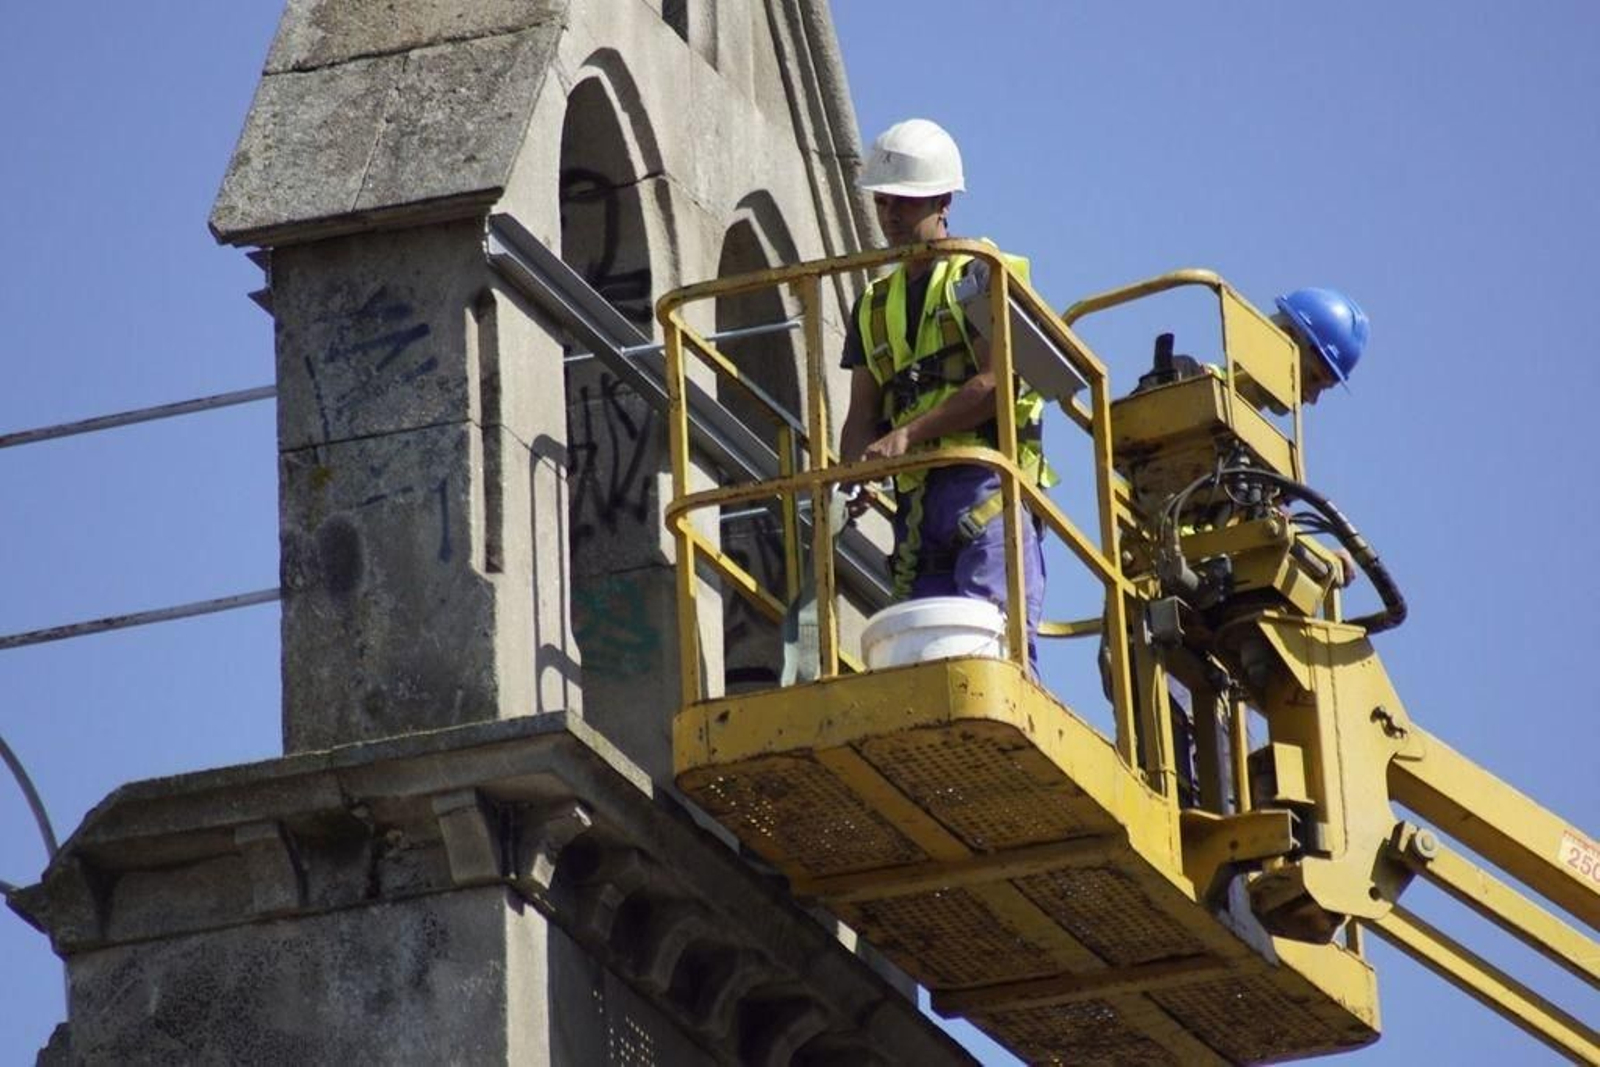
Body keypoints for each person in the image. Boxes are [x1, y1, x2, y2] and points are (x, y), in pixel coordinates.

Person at [838, 118, 1055, 670]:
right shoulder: (872, 303)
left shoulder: (980, 274)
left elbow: (996, 382)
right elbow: (861, 413)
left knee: (992, 648)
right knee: (918, 654)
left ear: (942, 202)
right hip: (917, 506)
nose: (890, 217)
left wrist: (907, 434)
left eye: (903, 205)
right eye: (884, 204)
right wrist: (854, 471)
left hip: (987, 482)